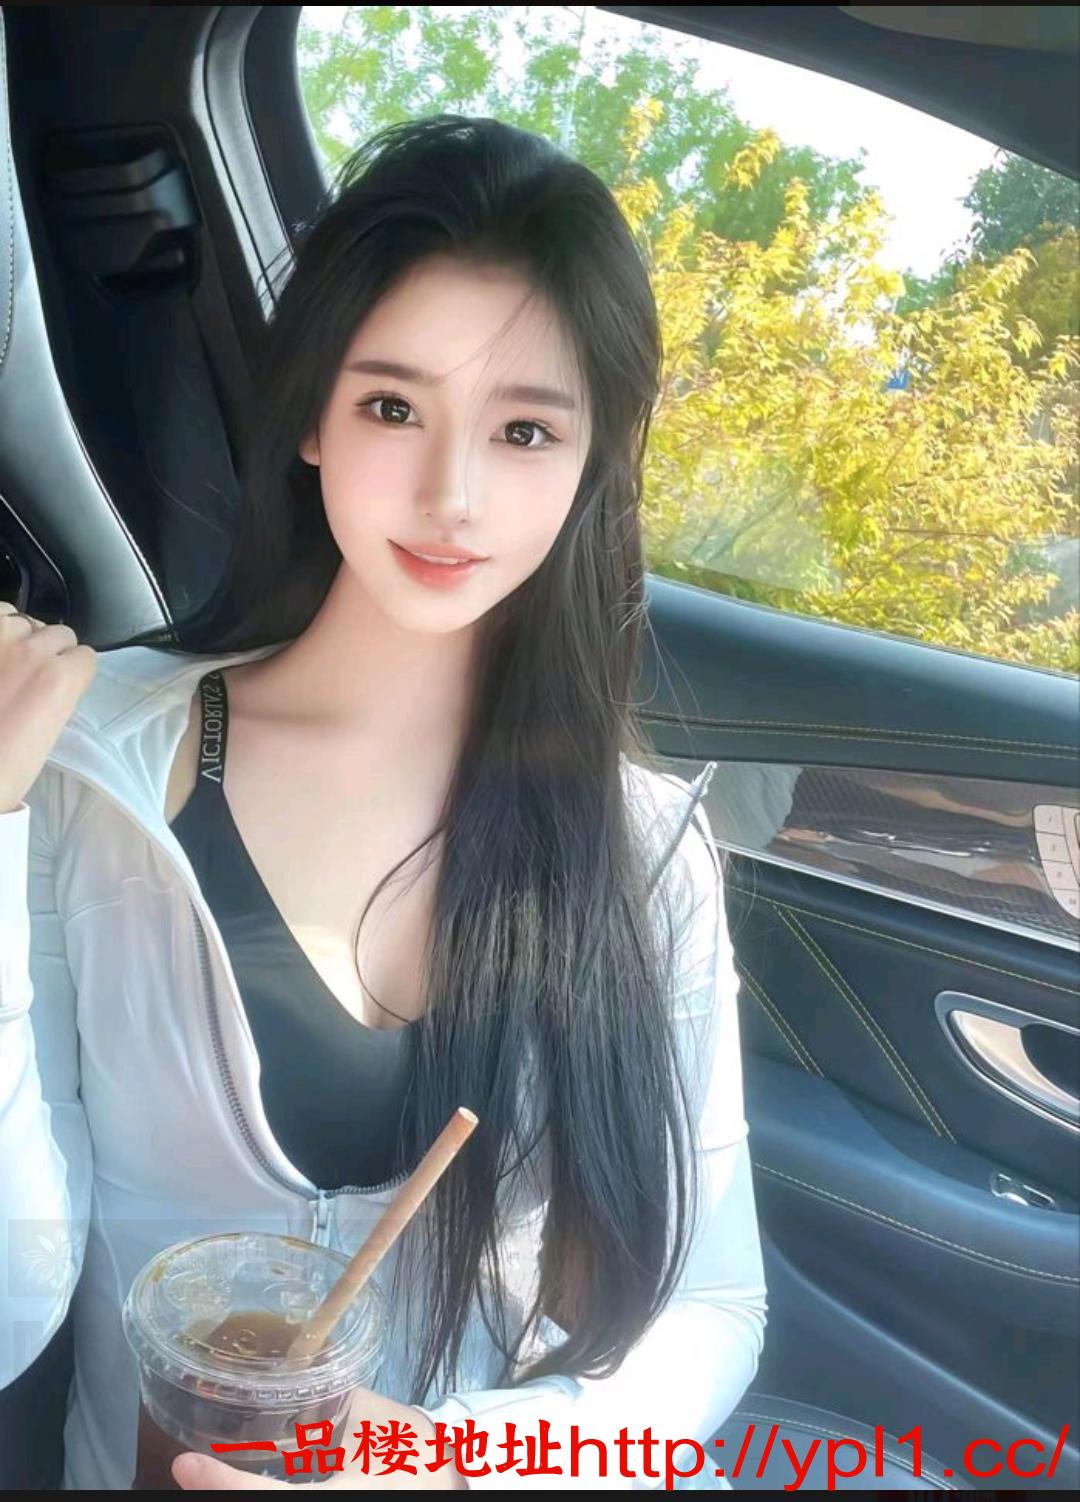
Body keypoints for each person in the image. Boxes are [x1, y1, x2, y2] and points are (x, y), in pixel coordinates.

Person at [0, 114, 767, 1491]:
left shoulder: (645, 849)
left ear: (592, 460)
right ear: (311, 416)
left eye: (524, 429)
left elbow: (710, 1309)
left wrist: (452, 1460)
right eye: (393, 407)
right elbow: (10, 1297)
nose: (451, 495)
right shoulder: (84, 762)